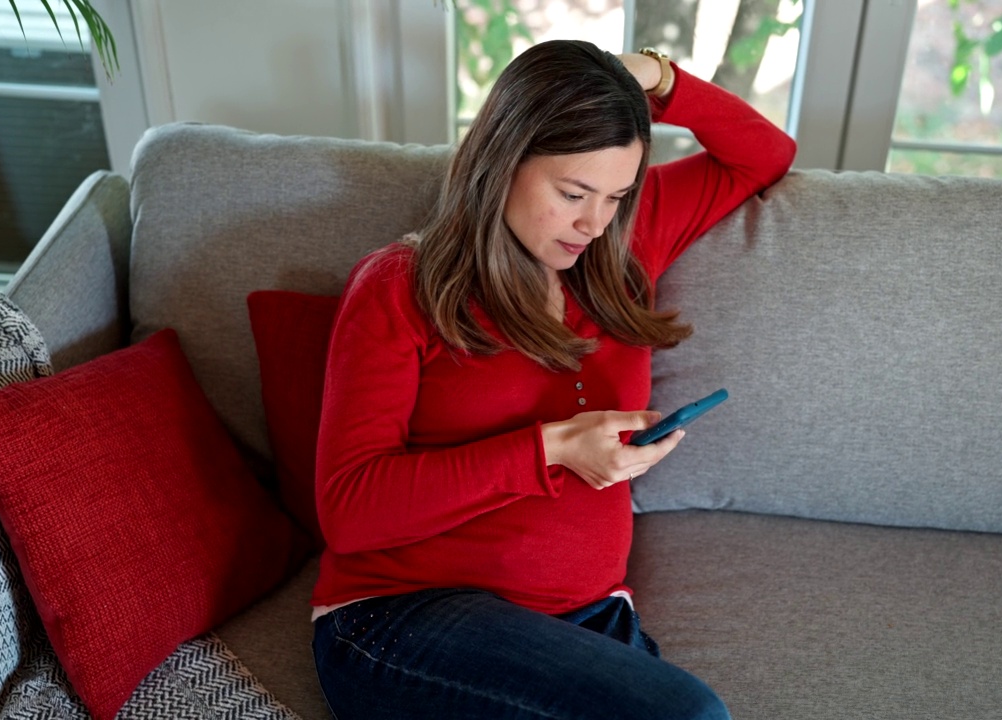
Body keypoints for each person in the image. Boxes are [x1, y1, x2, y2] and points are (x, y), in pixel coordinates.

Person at [310, 39, 796, 719]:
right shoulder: (399, 288)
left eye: (616, 195)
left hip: (586, 621)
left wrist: (653, 78)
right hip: (400, 619)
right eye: (572, 193)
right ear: (504, 161)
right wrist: (554, 449)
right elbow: (350, 510)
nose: (593, 223)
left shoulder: (625, 240)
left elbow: (765, 154)